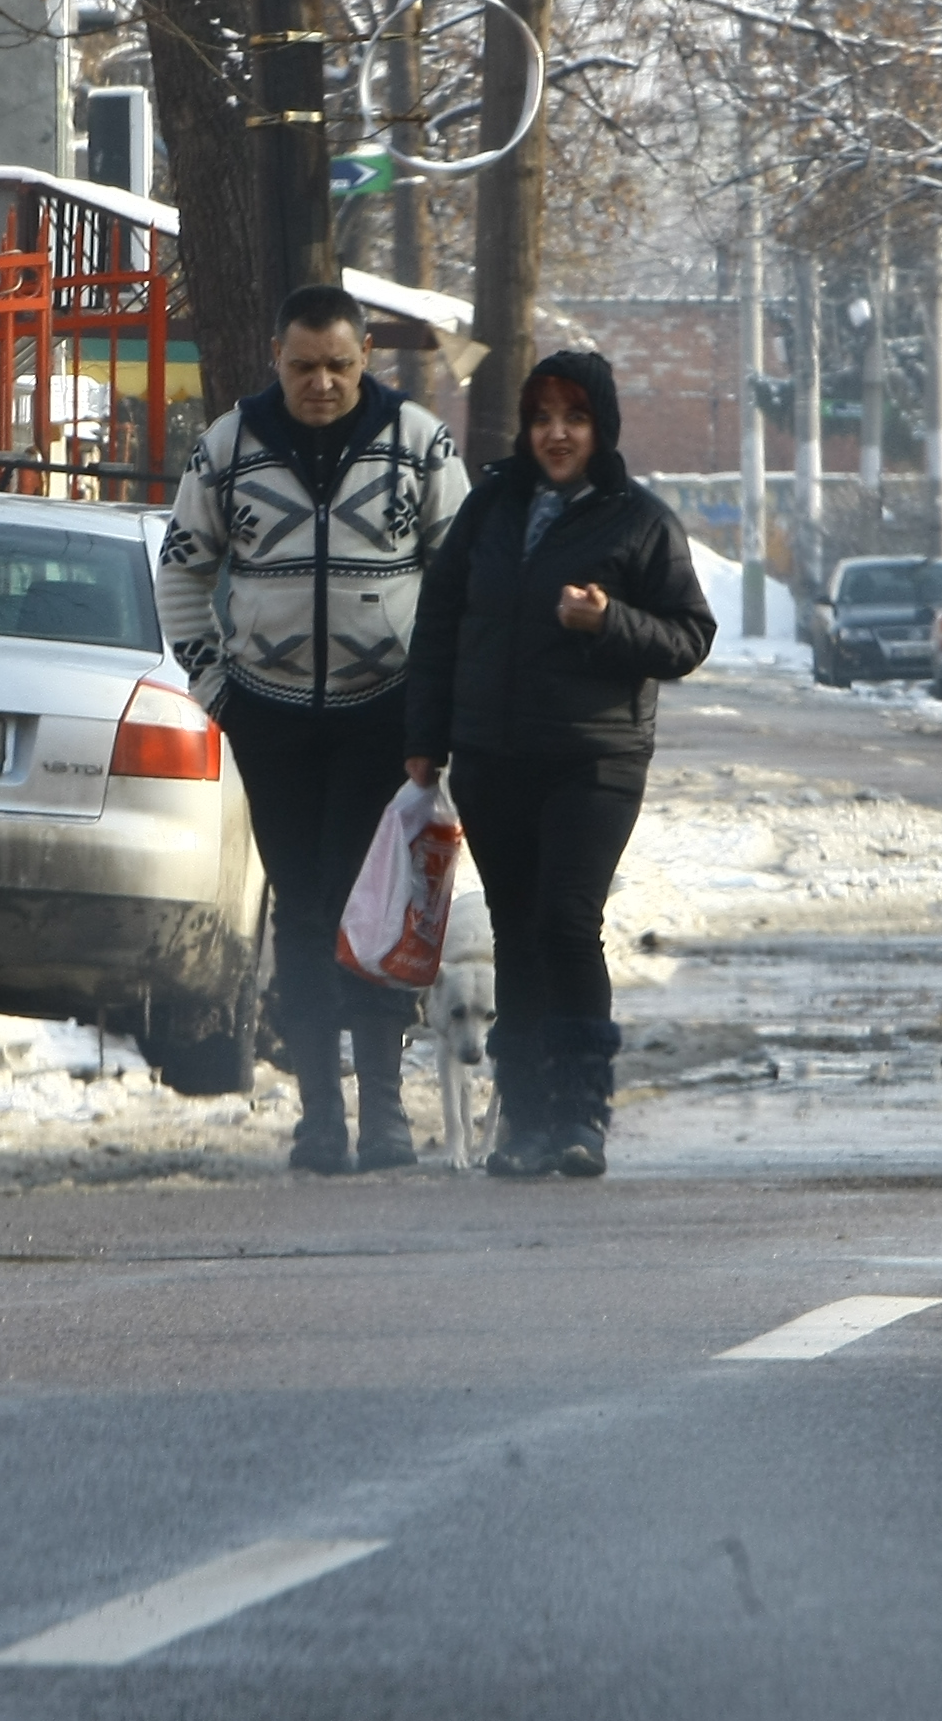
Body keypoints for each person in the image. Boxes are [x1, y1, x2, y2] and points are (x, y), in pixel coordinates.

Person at [158, 285, 467, 1170]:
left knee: (377, 912)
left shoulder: (418, 443)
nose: (321, 383)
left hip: (390, 721)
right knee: (303, 912)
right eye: (303, 366)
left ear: (365, 355)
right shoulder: (229, 447)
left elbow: (458, 575)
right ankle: (319, 1115)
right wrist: (216, 687)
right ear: (275, 357)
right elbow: (183, 570)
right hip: (273, 718)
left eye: (337, 365)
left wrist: (435, 700)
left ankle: (387, 1112)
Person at [405, 350, 715, 1178]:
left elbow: (689, 637)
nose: (556, 434)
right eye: (542, 418)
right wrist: (425, 740)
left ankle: (581, 1113)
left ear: (601, 428)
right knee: (516, 934)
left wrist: (611, 622)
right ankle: (525, 1121)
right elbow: (439, 623)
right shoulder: (491, 508)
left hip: (594, 761)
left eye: (573, 419)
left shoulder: (638, 520)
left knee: (567, 926)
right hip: (494, 758)